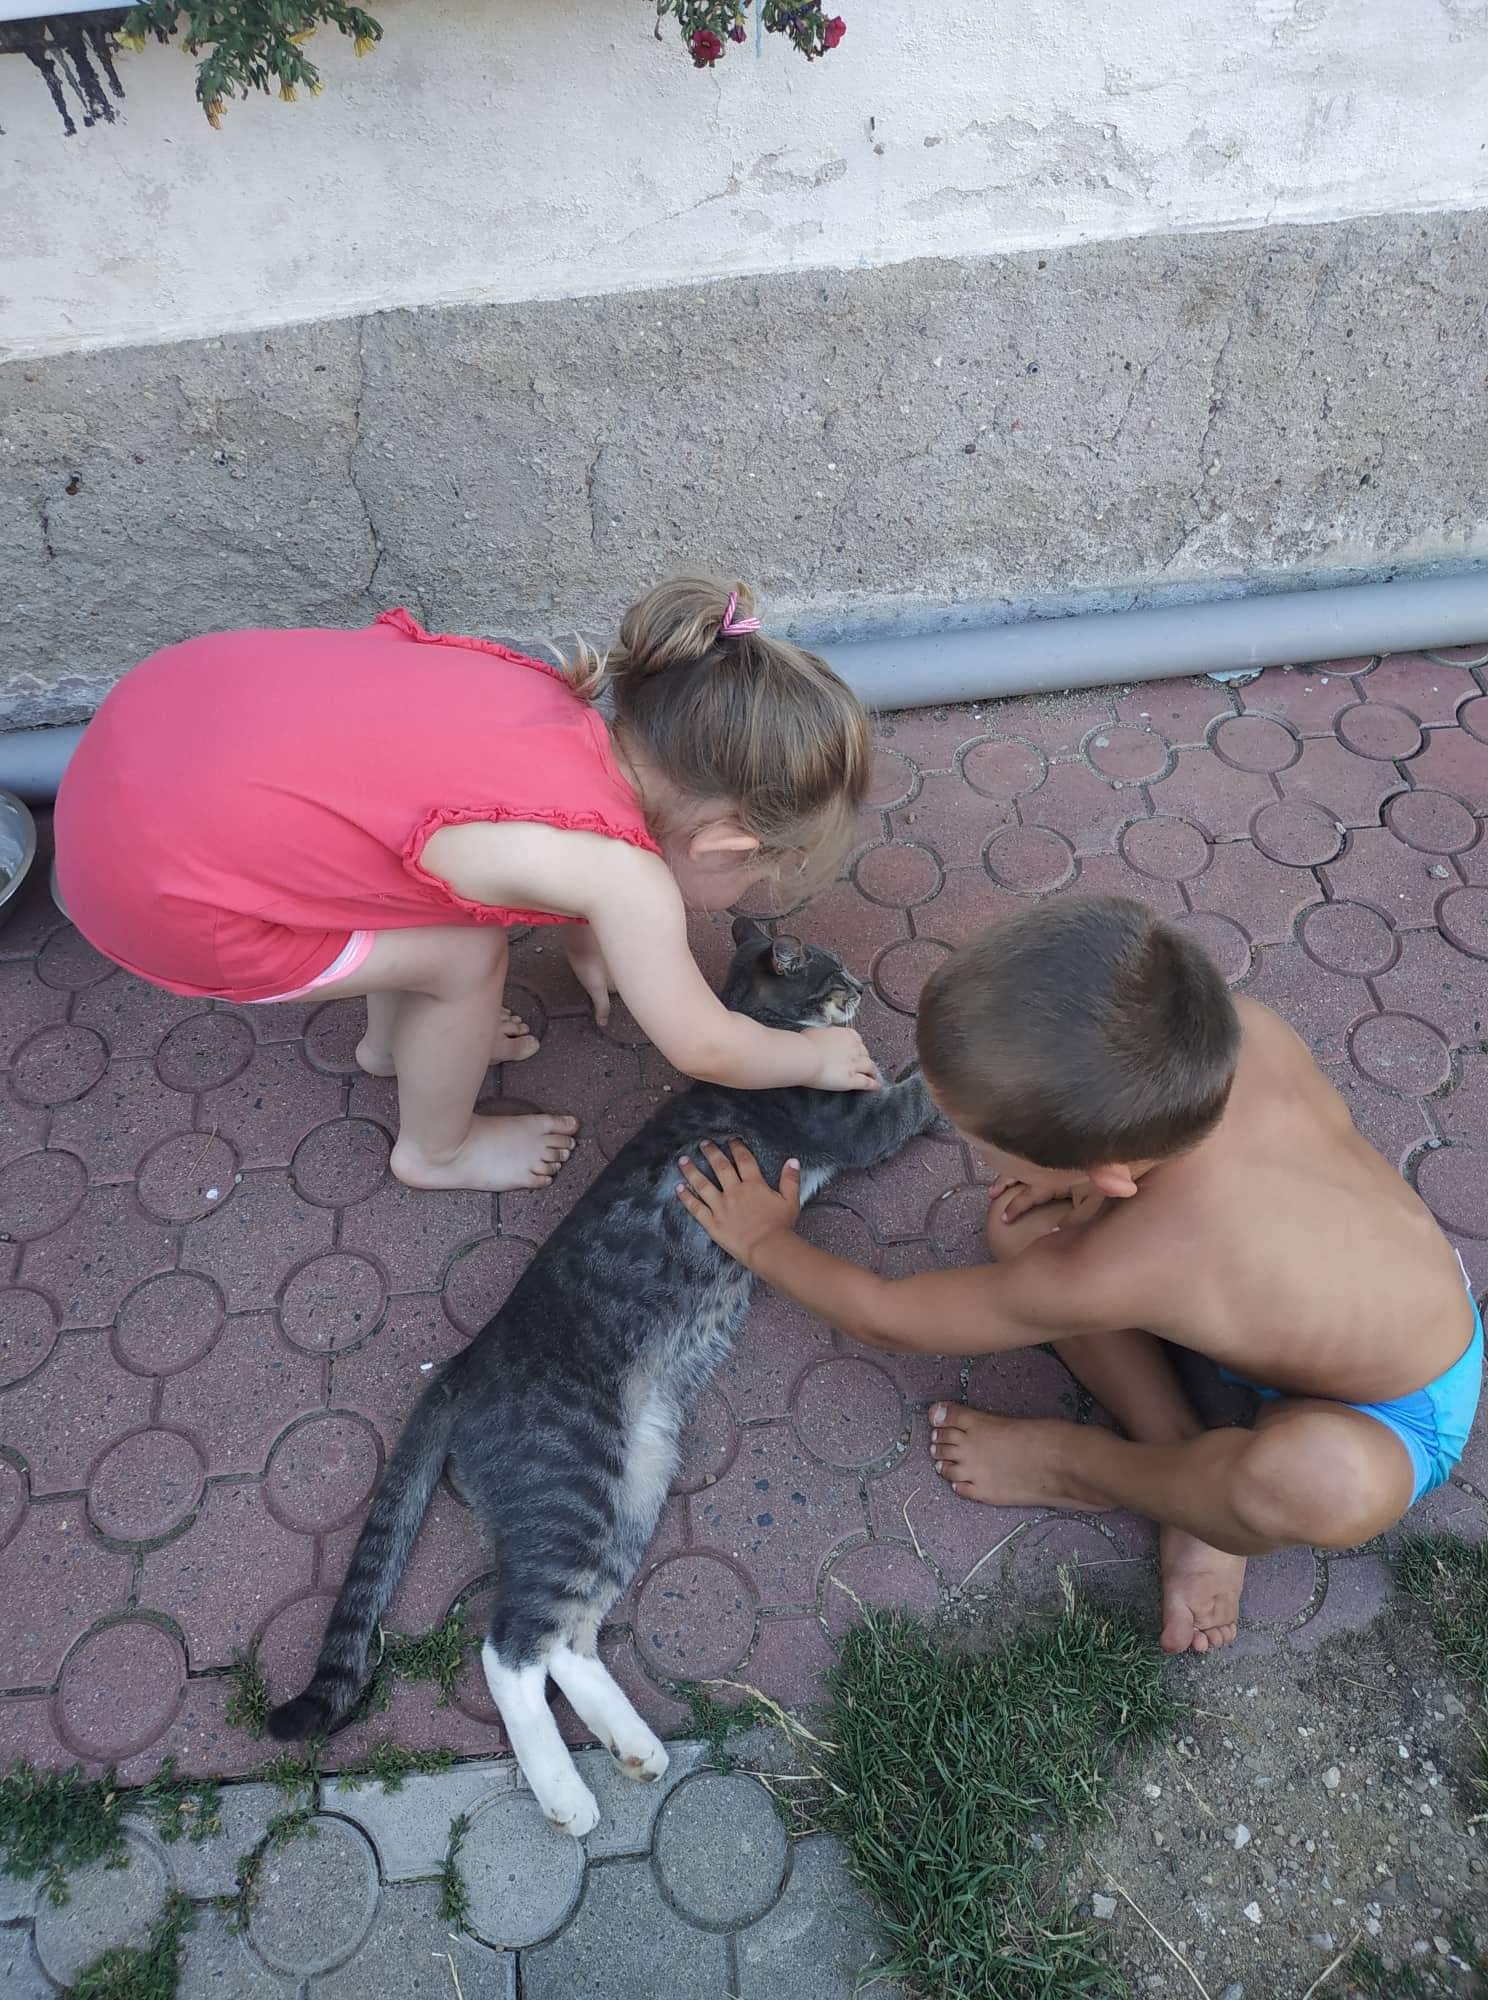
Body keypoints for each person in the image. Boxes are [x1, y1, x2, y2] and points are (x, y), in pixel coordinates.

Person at [675, 895, 1483, 1656]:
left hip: (1399, 1412)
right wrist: (1085, 1187)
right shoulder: (1245, 1032)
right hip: (1355, 1293)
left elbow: (888, 1315)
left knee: (1320, 1486)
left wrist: (766, 1242)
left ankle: (1086, 1468)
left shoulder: (1131, 1260)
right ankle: (1180, 1456)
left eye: (978, 1140)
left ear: (1112, 1172)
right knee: (1022, 1229)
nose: (968, 1147)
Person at [55, 580, 880, 1195]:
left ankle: (395, 1049)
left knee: (424, 899)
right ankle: (437, 1150)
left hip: (158, 735)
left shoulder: (556, 704)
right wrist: (809, 1054)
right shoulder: (624, 878)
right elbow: (706, 1046)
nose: (753, 887)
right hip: (165, 895)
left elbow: (573, 856)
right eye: (759, 872)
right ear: (724, 843)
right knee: (464, 957)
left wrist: (593, 942)